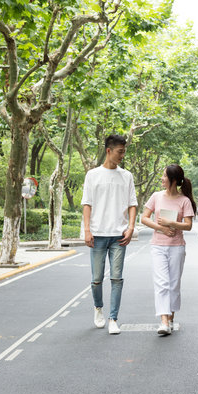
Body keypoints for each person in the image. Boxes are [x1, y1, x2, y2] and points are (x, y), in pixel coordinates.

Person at [81, 134, 138, 335]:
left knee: (117, 278)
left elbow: (133, 204)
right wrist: (87, 230)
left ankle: (113, 318)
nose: (122, 155)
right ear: (108, 151)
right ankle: (98, 308)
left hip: (119, 235)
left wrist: (130, 227)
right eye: (119, 152)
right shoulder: (93, 175)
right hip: (97, 235)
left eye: (124, 151)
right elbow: (86, 204)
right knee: (96, 279)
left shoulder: (127, 176)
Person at [141, 164, 196, 335]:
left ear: (173, 180)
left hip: (176, 247)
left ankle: (171, 317)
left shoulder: (184, 200)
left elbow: (188, 226)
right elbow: (144, 218)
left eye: (164, 176)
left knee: (173, 285)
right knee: (162, 284)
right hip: (158, 245)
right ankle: (163, 321)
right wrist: (161, 228)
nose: (161, 179)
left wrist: (171, 223)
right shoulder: (156, 196)